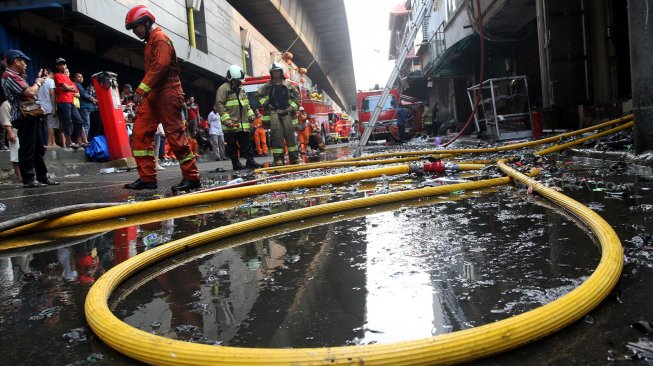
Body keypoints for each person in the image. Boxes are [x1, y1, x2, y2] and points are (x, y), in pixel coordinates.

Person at [124, 5, 201, 191]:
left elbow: (161, 66)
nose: (135, 31)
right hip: (154, 94)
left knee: (175, 136)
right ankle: (147, 178)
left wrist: (141, 90)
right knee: (140, 133)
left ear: (147, 22)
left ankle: (192, 178)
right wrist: (146, 92)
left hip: (168, 92)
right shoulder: (151, 41)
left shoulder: (160, 38)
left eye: (136, 27)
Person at [1, 49, 59, 188]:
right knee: (27, 149)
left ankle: (42, 177)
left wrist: (38, 81)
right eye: (23, 61)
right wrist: (38, 82)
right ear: (16, 61)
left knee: (38, 148)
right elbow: (30, 92)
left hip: (30, 115)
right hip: (23, 116)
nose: (26, 64)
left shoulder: (17, 76)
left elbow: (30, 94)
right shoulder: (9, 76)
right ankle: (28, 179)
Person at [213, 64, 260, 170]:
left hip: (243, 124)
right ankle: (236, 163)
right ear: (232, 79)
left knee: (246, 143)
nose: (240, 82)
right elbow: (219, 105)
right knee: (232, 145)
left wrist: (251, 115)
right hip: (231, 124)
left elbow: (246, 104)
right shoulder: (223, 89)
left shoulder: (241, 88)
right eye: (238, 80)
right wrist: (227, 120)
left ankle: (250, 161)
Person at [256, 62, 300, 166]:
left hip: (287, 113)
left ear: (281, 72)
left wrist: (290, 108)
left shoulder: (288, 85)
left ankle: (294, 158)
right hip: (274, 113)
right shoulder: (267, 86)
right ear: (271, 73)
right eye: (273, 71)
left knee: (290, 137)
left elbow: (297, 98)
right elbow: (258, 95)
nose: (276, 73)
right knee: (277, 137)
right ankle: (278, 159)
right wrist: (266, 104)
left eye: (277, 71)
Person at [54, 57, 84, 149]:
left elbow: (74, 89)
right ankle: (69, 141)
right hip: (63, 101)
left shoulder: (68, 78)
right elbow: (67, 87)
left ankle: (79, 141)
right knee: (67, 121)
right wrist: (68, 88)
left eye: (64, 64)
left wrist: (67, 88)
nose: (62, 65)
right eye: (60, 64)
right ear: (57, 66)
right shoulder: (57, 75)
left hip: (71, 101)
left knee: (79, 121)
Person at [36, 68, 59, 147]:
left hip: (40, 107)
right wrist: (53, 107)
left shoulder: (38, 81)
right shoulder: (51, 81)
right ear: (51, 74)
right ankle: (49, 143)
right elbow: (52, 94)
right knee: (51, 125)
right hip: (49, 106)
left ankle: (53, 143)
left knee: (47, 125)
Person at [73, 72, 97, 145]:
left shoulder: (79, 85)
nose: (81, 78)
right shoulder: (77, 84)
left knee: (84, 125)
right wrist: (94, 99)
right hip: (84, 108)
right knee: (86, 125)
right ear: (74, 78)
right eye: (79, 77)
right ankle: (83, 141)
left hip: (85, 108)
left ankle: (82, 141)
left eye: (82, 77)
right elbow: (85, 94)